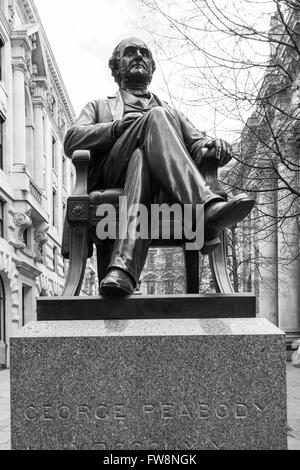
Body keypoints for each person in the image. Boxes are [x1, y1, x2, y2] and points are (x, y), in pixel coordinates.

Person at [64, 37, 254, 297]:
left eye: (145, 53)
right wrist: (116, 128)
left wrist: (215, 145)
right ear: (116, 67)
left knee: (141, 157)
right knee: (155, 117)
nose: (139, 56)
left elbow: (199, 145)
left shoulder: (170, 112)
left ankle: (123, 270)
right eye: (131, 53)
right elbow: (72, 139)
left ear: (152, 68)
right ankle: (207, 211)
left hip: (161, 183)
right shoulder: (100, 106)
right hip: (112, 176)